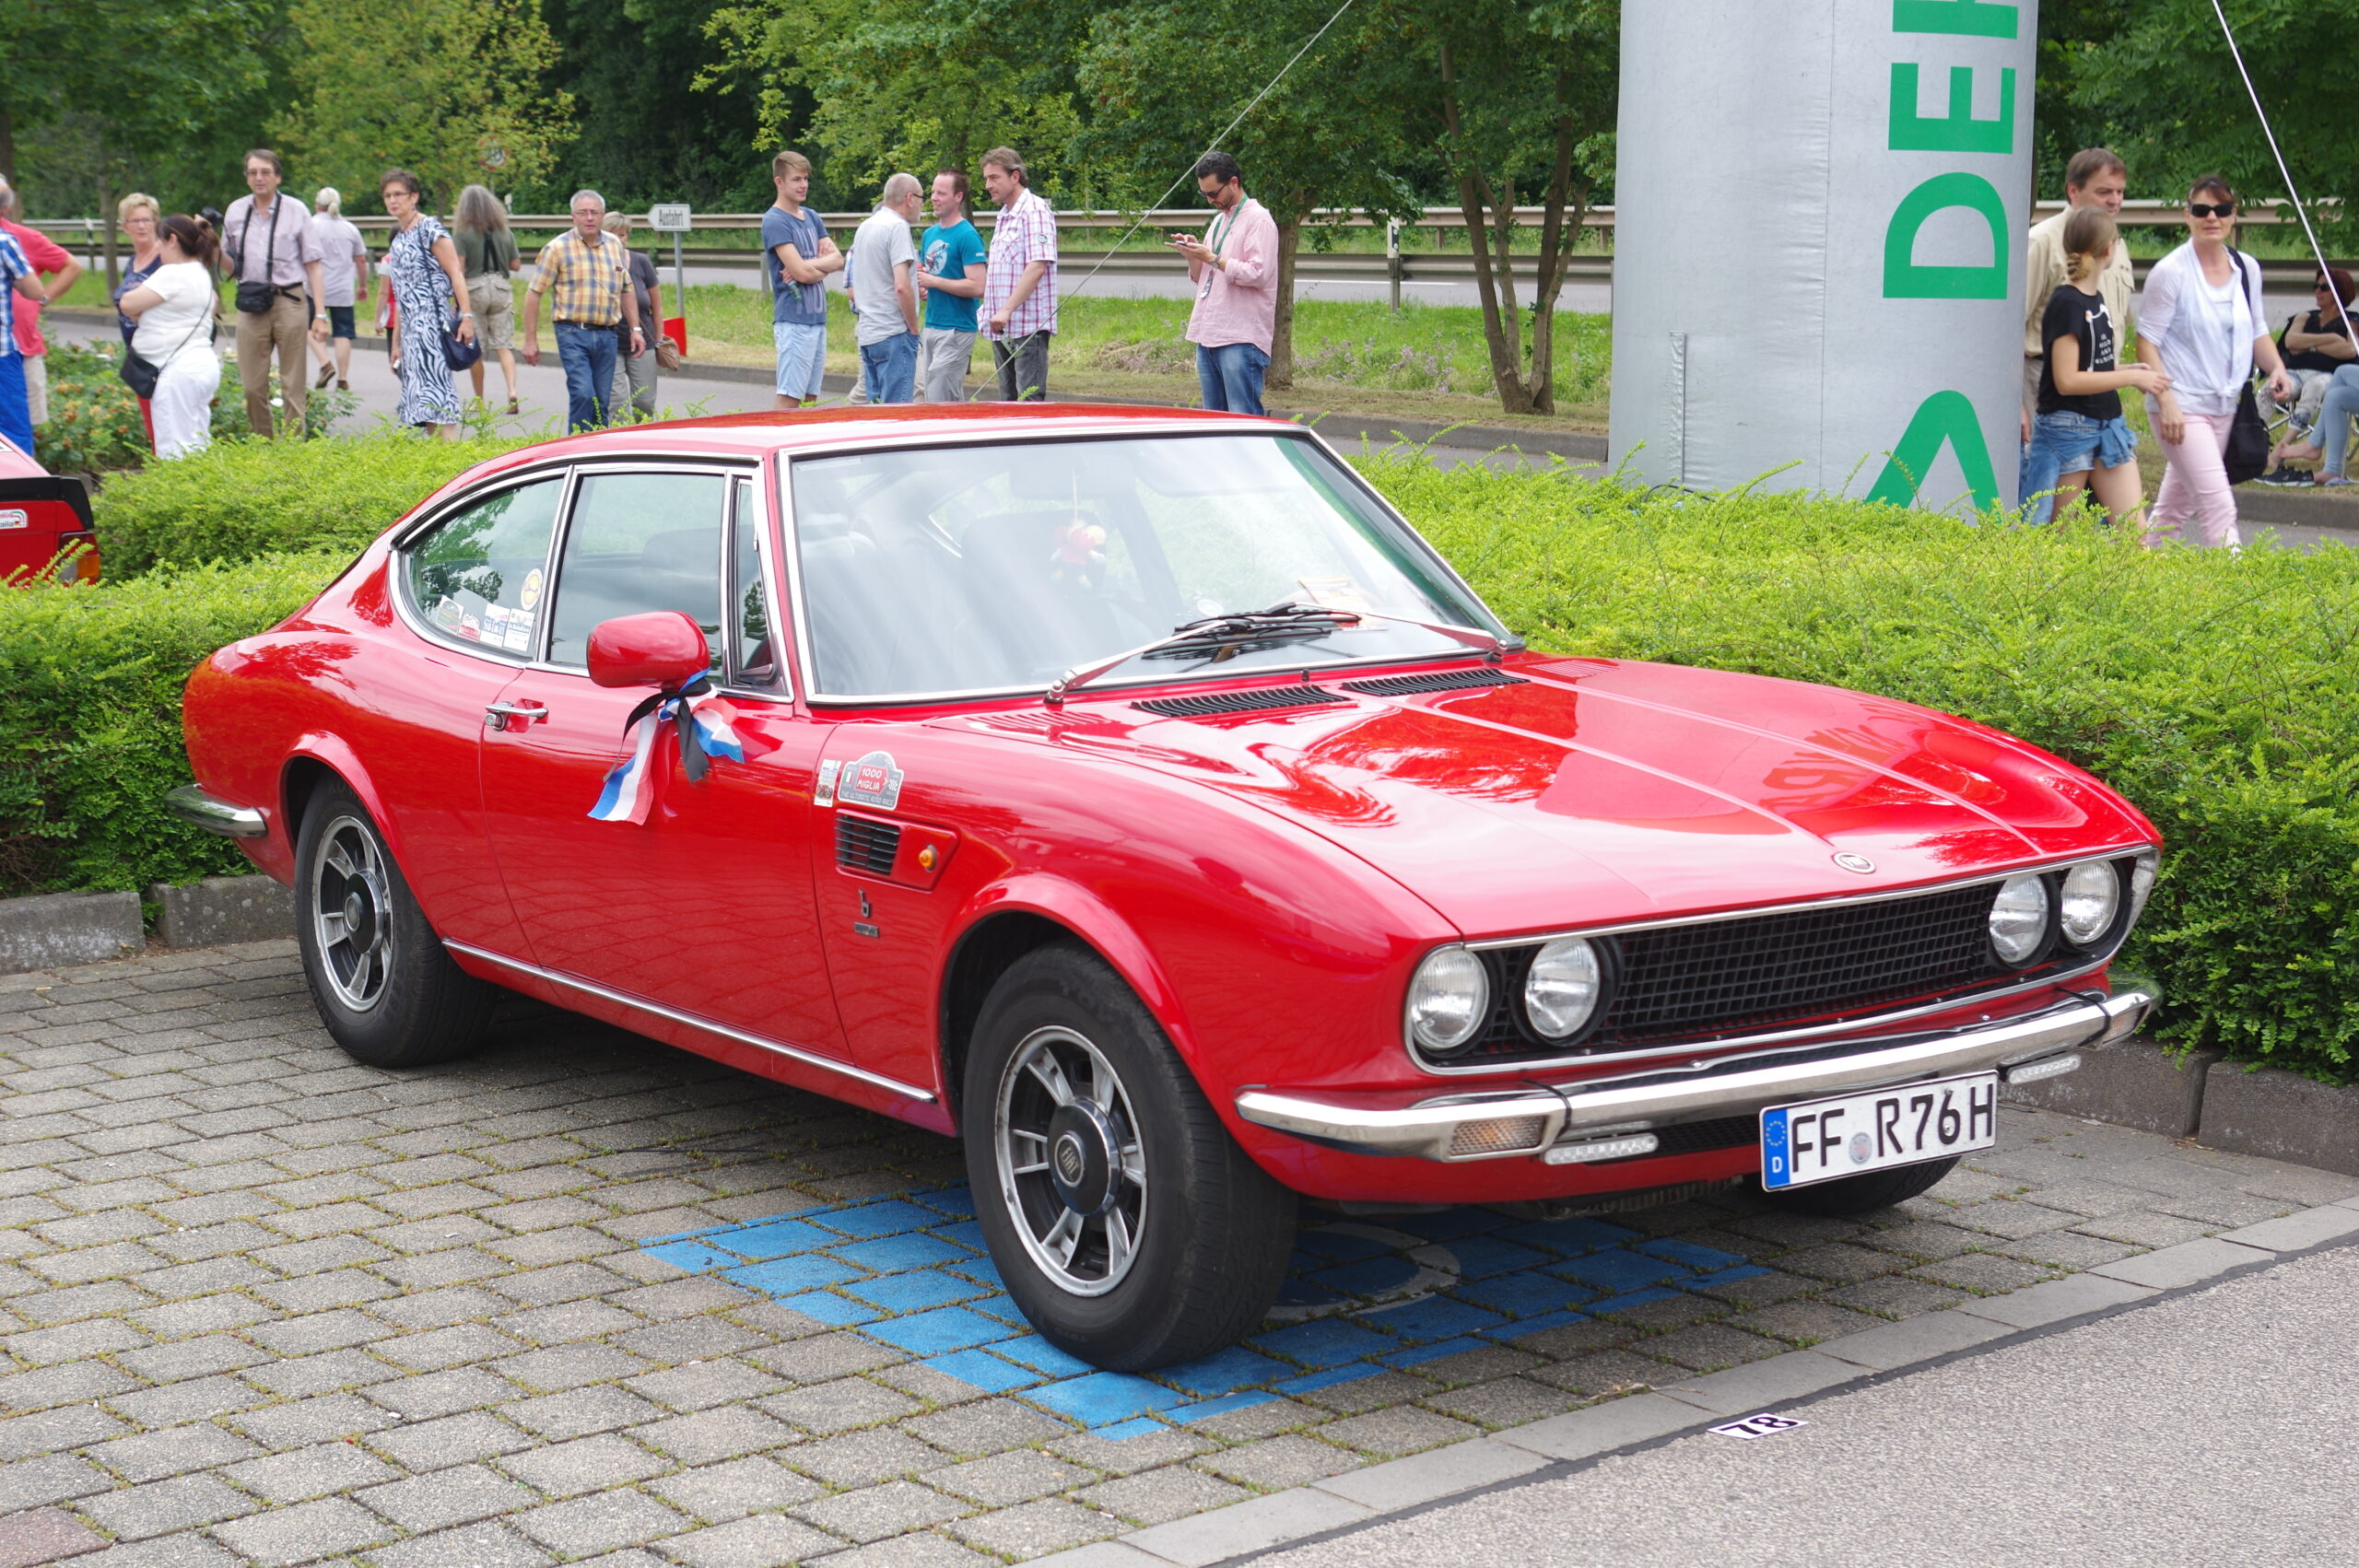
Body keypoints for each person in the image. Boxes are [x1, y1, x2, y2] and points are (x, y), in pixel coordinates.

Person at [2135, 175, 2294, 549]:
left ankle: (2135, 577)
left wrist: (2277, 368)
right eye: (2202, 210)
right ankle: (2236, 591)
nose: (2212, 218)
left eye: (2221, 210)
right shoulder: (2171, 272)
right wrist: (2167, 403)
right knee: (2217, 503)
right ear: (2187, 215)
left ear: (2233, 215)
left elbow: (2257, 329)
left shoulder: (2246, 268)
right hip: (2182, 406)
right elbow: (2146, 345)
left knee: (2174, 507)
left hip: (2226, 406)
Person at [2018, 209, 2167, 528]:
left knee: (2136, 534)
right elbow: (2067, 380)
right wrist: (2131, 377)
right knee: (2060, 540)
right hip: (2067, 429)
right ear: (2108, 249)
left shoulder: (2095, 297)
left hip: (2107, 424)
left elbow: (2089, 364)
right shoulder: (2067, 302)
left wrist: (2128, 367)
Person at [2021, 149, 2133, 514]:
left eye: (2119, 192)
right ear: (2073, 191)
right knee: (2050, 521)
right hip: (2046, 387)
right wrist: (2012, 405)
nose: (2114, 200)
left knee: (2110, 522)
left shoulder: (2115, 244)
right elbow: (2007, 332)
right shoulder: (2042, 241)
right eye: (2104, 192)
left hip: (2102, 393)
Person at [220, 148, 329, 437]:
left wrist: (320, 314)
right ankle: (264, 443)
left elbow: (314, 266)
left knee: (292, 382)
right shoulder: (235, 211)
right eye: (253, 172)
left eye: (265, 172)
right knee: (252, 385)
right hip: (251, 302)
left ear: (277, 177)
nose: (259, 178)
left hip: (289, 300)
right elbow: (231, 266)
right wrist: (210, 246)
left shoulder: (296, 210)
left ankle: (293, 447)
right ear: (246, 177)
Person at [522, 190, 641, 431]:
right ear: (572, 216)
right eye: (583, 213)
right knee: (583, 393)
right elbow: (534, 293)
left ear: (602, 215)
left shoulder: (614, 244)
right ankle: (573, 448)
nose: (589, 218)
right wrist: (530, 340)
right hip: (572, 332)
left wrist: (636, 328)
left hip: (608, 333)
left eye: (594, 212)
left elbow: (626, 288)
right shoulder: (556, 248)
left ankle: (596, 452)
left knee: (602, 401)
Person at [1170, 152, 1278, 415]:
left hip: (1240, 337)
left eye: (1214, 193)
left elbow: (1258, 273)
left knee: (1243, 417)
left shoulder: (1258, 219)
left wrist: (1214, 258)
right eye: (1204, 195)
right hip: (1209, 334)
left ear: (1233, 182)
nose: (1210, 201)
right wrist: (1193, 256)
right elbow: (1202, 277)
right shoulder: (1219, 220)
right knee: (1213, 420)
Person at [377, 169, 476, 439]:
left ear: (414, 197)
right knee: (421, 398)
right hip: (410, 330)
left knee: (439, 392)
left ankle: (450, 458)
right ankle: (434, 455)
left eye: (398, 194)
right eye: (387, 195)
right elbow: (400, 295)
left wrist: (466, 316)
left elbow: (456, 273)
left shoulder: (429, 230)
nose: (392, 200)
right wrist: (396, 343)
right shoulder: (399, 238)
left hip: (433, 323)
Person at [115, 216, 222, 462]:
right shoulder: (200, 272)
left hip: (177, 372)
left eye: (159, 242)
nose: (158, 249)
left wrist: (142, 313)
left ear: (172, 240)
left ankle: (180, 498)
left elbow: (127, 303)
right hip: (200, 365)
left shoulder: (172, 274)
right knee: (197, 443)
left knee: (174, 450)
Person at [2256, 267, 2356, 484]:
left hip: (2326, 376)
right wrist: (2331, 340)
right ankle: (2253, 446)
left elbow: (2349, 351)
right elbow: (2291, 343)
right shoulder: (2303, 316)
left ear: (2340, 292)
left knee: (2317, 387)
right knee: (2272, 388)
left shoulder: (2352, 321)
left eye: (2325, 288)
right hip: (2295, 373)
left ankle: (2282, 449)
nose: (2318, 291)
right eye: (2316, 286)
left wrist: (2309, 344)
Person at [0, 180, 83, 432]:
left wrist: (43, 300)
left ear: (7, 208)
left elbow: (71, 266)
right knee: (16, 428)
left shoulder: (23, 237)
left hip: (22, 348)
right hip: (6, 350)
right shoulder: (7, 242)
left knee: (21, 426)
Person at [763, 151, 842, 410]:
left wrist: (805, 265)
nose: (803, 185)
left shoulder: (811, 216)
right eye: (796, 179)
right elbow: (803, 275)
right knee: (789, 398)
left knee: (810, 401)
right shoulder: (775, 220)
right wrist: (809, 268)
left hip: (817, 321)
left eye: (806, 179)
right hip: (794, 321)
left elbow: (838, 260)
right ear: (779, 182)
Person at [980, 146, 1057, 401]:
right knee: (1008, 404)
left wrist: (1006, 309)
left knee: (1029, 402)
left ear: (1015, 176)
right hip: (1002, 327)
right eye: (985, 179)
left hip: (1027, 326)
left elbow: (1037, 264)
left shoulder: (1034, 210)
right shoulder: (1004, 215)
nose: (988, 185)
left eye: (994, 178)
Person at [914, 169, 988, 403]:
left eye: (942, 193)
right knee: (938, 397)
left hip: (957, 328)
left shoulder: (967, 235)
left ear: (958, 197)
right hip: (932, 324)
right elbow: (931, 276)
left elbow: (978, 286)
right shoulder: (929, 234)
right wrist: (925, 286)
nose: (934, 198)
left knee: (939, 399)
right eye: (933, 192)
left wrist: (934, 281)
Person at [851, 174, 923, 404]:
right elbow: (902, 285)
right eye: (922, 198)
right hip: (894, 332)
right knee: (896, 414)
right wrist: (912, 327)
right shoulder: (897, 227)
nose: (923, 204)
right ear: (909, 198)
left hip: (868, 332)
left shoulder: (866, 226)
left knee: (876, 412)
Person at [453, 184, 521, 415]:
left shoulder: (462, 232)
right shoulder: (505, 231)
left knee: (476, 348)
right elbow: (516, 265)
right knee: (504, 345)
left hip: (474, 288)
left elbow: (459, 268)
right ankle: (511, 391)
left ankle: (479, 400)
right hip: (501, 287)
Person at [306, 187, 370, 394]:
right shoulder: (349, 229)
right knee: (343, 332)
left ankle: (325, 363)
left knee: (308, 327)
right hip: (343, 289)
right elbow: (360, 259)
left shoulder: (311, 225)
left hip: (314, 289)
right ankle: (342, 378)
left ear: (317, 204)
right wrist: (362, 285)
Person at [603, 210, 661, 420]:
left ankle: (645, 441)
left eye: (623, 234)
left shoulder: (641, 262)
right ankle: (620, 446)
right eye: (614, 234)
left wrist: (659, 339)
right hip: (610, 341)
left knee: (644, 401)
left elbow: (656, 305)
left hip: (643, 341)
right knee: (617, 402)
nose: (620, 240)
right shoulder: (596, 263)